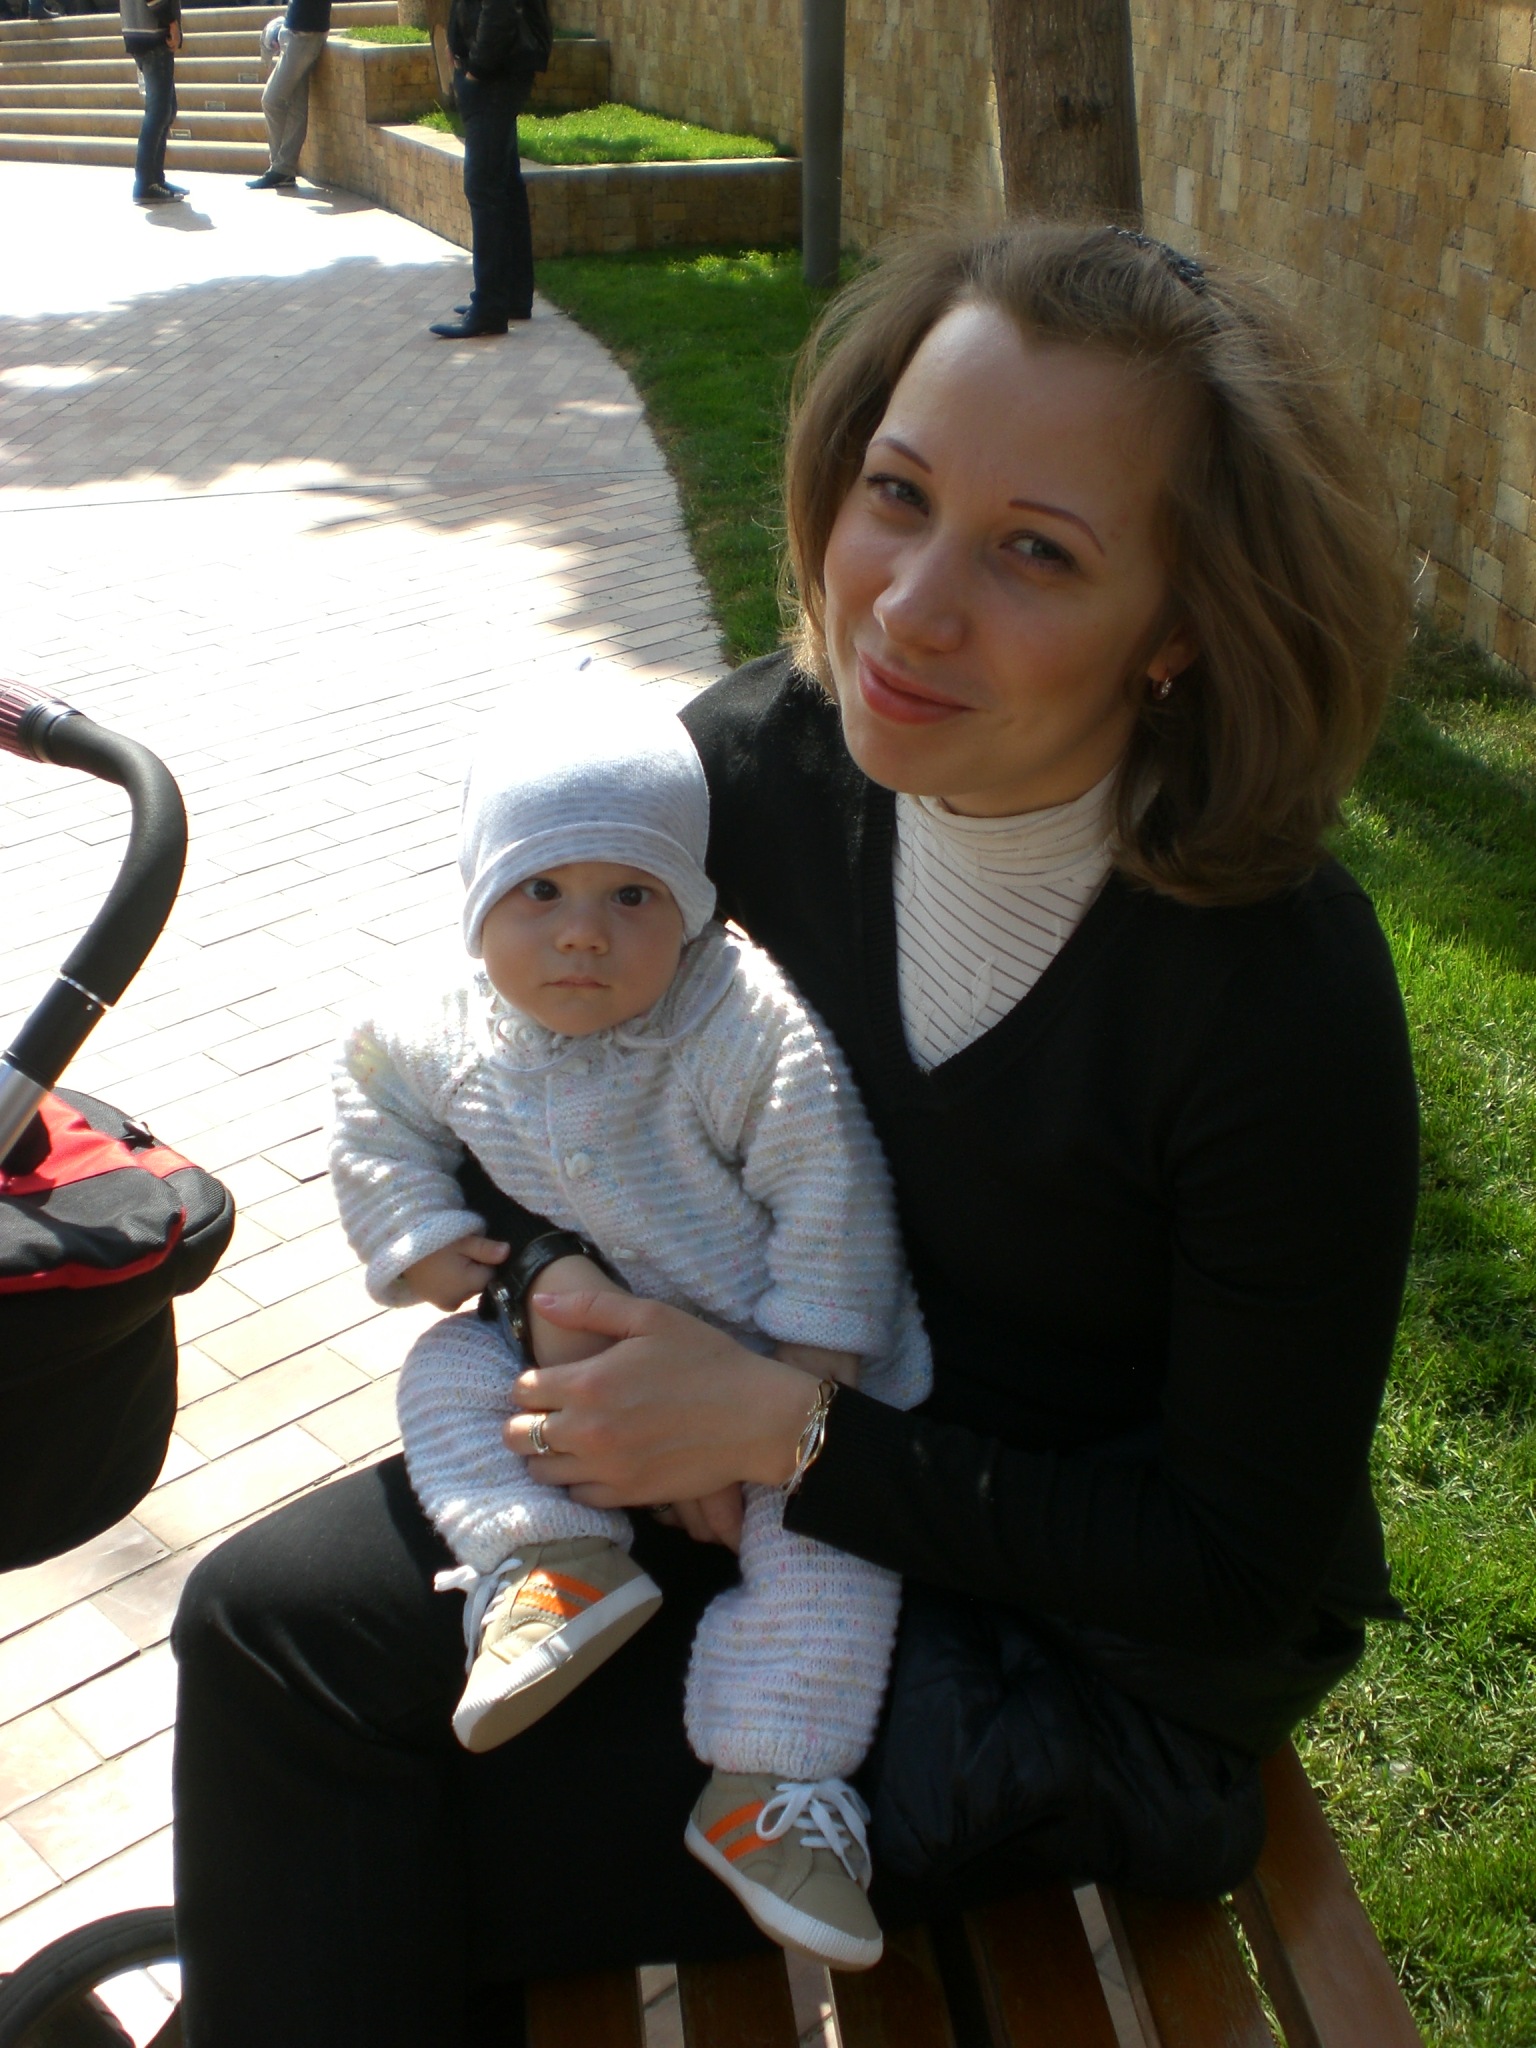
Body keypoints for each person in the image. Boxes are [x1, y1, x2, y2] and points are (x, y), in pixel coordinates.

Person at [171, 218, 1420, 2047]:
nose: (907, 606)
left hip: (1074, 1640)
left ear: (1180, 627)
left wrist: (786, 1429)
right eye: (897, 495)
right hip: (760, 1489)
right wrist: (541, 1281)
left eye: (1037, 551)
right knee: (258, 1623)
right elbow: (532, 1073)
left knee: (371, 1845)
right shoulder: (758, 772)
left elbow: (1232, 1565)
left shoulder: (1273, 993)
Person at [328, 683, 930, 1971]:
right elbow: (369, 1088)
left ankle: (770, 1783)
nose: (582, 933)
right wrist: (412, 1223)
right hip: (591, 1357)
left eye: (633, 894)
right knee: (444, 1372)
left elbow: (832, 1190)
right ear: (477, 897)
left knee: (836, 1552)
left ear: (694, 909)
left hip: (776, 1370)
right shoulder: (441, 1019)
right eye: (540, 889)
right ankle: (550, 1563)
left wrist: (799, 1386)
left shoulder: (735, 1022)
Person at [428, 0, 551, 338]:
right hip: (497, 73)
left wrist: (476, 69)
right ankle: (511, 295)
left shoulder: (487, 72)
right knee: (505, 184)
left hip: (493, 77)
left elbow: (499, 9)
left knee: (484, 188)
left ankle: (490, 307)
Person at [247, 0, 330, 193]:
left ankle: (281, 168)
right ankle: (281, 170)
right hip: (298, 30)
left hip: (304, 34)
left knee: (271, 100)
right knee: (296, 105)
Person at [121, 0, 185, 207]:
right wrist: (171, 22)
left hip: (140, 32)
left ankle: (155, 179)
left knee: (166, 109)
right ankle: (146, 183)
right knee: (159, 111)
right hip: (152, 33)